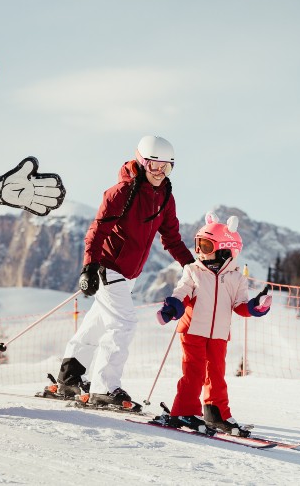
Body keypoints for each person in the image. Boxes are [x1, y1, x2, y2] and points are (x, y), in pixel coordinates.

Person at [44, 135, 195, 407]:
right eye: (153, 166)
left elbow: (171, 238)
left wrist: (191, 265)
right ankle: (104, 387)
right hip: (108, 267)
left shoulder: (165, 198)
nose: (159, 172)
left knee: (97, 324)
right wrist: (89, 267)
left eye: (166, 167)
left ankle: (69, 378)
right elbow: (97, 230)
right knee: (123, 323)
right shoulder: (120, 193)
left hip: (129, 275)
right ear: (141, 162)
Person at [153, 212, 272, 435]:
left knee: (216, 375)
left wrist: (256, 307)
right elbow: (183, 293)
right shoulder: (193, 271)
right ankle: (184, 411)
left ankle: (216, 412)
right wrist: (172, 307)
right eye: (198, 245)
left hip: (218, 334)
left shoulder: (237, 277)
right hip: (193, 330)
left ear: (225, 249)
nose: (199, 252)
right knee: (194, 372)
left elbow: (240, 305)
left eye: (205, 246)